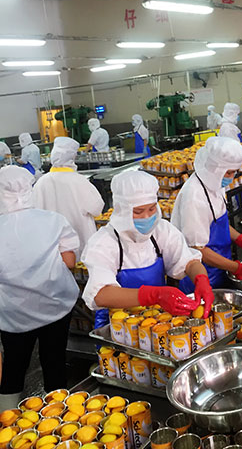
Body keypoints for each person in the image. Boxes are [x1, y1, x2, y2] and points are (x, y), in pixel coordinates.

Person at [82, 171, 213, 326]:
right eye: (138, 212)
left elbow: (188, 262)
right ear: (122, 210)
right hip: (118, 327)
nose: (146, 217)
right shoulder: (103, 243)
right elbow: (101, 294)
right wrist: (154, 295)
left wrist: (201, 279)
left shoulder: (161, 230)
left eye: (151, 209)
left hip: (157, 320)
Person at [0, 166, 80, 408]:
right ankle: (59, 417)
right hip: (54, 304)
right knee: (54, 361)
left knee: (14, 366)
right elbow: (70, 261)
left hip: (13, 315)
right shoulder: (52, 220)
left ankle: (7, 418)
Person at [171, 137, 242, 291]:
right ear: (214, 168)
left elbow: (218, 222)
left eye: (234, 172)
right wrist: (236, 267)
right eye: (229, 172)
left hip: (221, 265)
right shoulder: (194, 197)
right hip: (201, 275)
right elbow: (198, 249)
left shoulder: (215, 183)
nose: (231, 177)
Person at [33, 137, 105, 257]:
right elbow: (97, 208)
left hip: (54, 247)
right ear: (72, 157)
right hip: (82, 241)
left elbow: (35, 212)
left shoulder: (41, 183)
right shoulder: (79, 181)